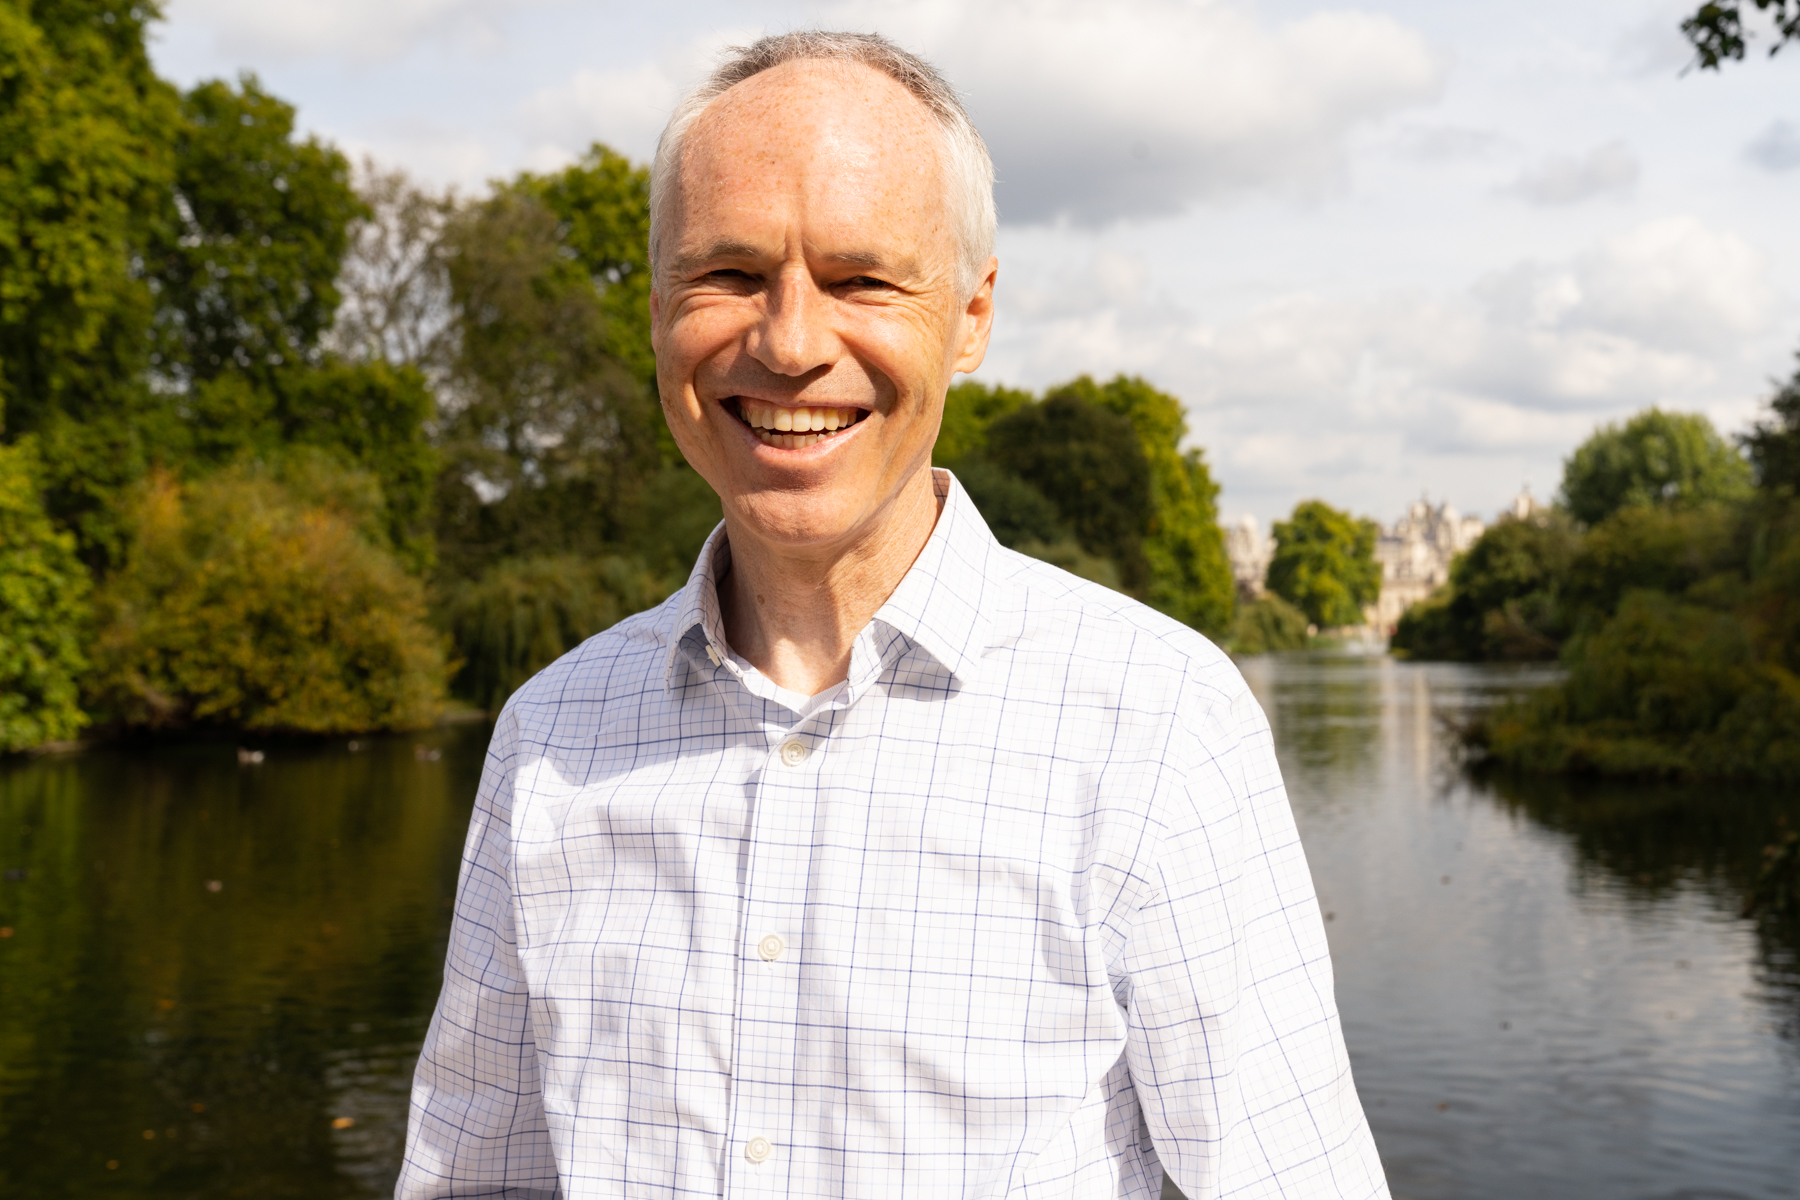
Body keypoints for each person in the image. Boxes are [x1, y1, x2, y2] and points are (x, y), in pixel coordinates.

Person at [396, 31, 1387, 1200]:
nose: (792, 342)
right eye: (729, 274)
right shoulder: (551, 735)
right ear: (659, 307)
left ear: (970, 317)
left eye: (863, 280)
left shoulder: (1159, 724)